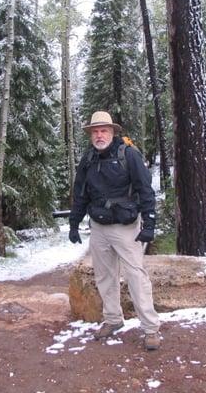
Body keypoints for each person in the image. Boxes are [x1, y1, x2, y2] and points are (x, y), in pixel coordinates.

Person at [68, 111, 161, 351]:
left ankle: (150, 329)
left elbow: (145, 191)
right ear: (91, 135)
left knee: (136, 277)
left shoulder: (129, 155)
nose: (99, 135)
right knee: (104, 277)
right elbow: (80, 193)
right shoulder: (88, 159)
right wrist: (74, 223)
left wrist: (149, 225)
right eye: (95, 131)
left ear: (113, 132)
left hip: (126, 227)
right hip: (98, 227)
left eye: (104, 130)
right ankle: (112, 319)